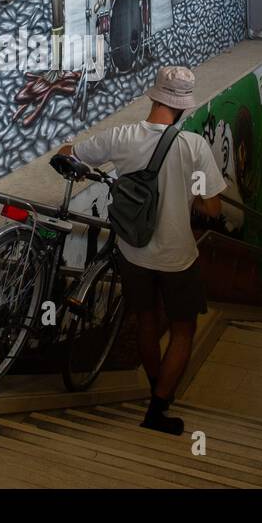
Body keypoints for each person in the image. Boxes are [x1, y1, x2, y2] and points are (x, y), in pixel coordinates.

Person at [58, 66, 225, 434]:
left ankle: (155, 387)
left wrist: (80, 161)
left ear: (154, 97)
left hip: (133, 253)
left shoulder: (122, 137)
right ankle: (158, 407)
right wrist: (190, 199)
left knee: (146, 320)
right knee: (183, 331)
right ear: (182, 107)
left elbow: (69, 153)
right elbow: (214, 208)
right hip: (179, 258)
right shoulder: (193, 146)